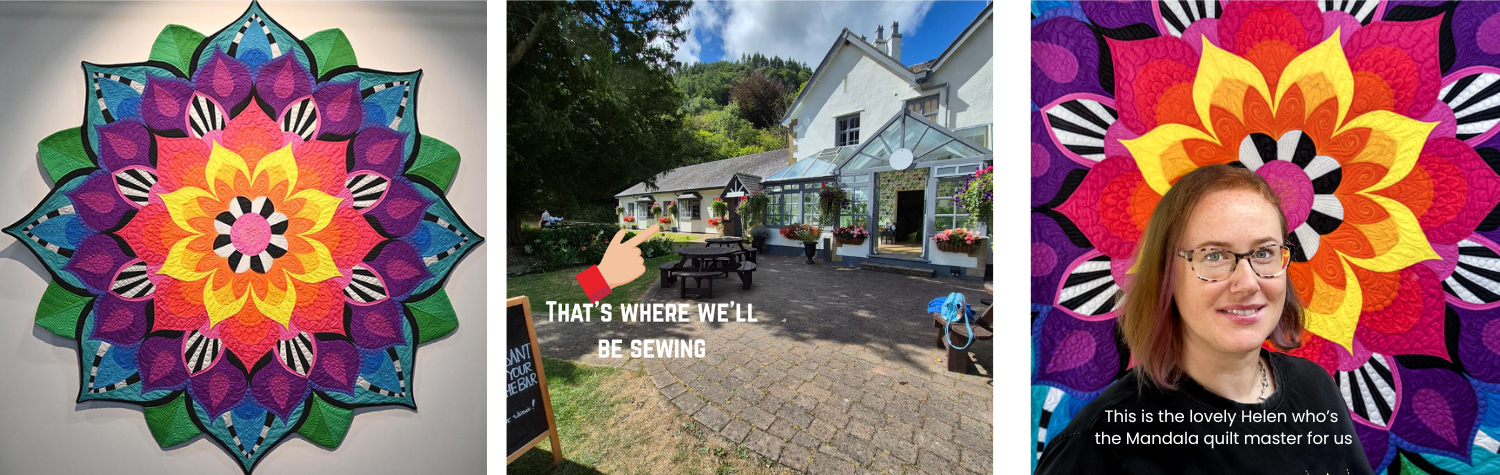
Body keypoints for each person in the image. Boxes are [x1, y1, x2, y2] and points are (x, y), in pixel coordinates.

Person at [1035, 165, 1372, 474]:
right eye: (1213, 255)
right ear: (1166, 275)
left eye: (1264, 253)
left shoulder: (1315, 385)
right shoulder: (1101, 444)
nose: (1248, 283)